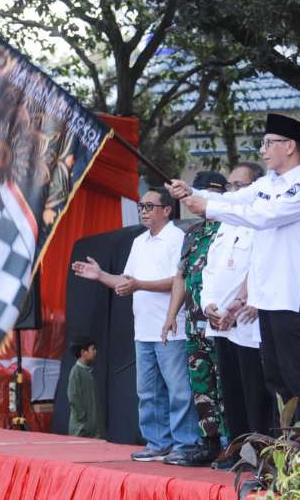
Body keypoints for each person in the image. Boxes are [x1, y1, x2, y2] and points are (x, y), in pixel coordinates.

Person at [170, 113, 300, 427]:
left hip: (294, 297)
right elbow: (234, 198)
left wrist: (209, 208)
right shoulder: (268, 183)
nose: (263, 150)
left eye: (269, 143)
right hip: (268, 297)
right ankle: (285, 459)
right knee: (277, 381)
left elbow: (265, 216)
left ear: (290, 146)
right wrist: (192, 193)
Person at [72, 188, 199, 463]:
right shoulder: (139, 242)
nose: (143, 210)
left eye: (150, 206)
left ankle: (186, 444)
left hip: (171, 327)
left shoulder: (178, 238)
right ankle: (157, 442)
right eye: (141, 206)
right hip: (143, 329)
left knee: (178, 389)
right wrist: (101, 275)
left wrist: (140, 285)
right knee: (147, 390)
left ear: (167, 210)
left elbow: (179, 280)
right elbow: (127, 281)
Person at [200, 162, 270, 462]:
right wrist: (208, 307)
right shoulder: (225, 224)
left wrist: (237, 305)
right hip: (220, 323)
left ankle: (262, 455)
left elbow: (259, 268)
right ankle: (240, 453)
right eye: (231, 186)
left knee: (255, 392)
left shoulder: (261, 221)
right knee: (231, 393)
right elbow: (209, 271)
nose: (233, 192)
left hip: (246, 322)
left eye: (240, 186)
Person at [162, 171, 229, 466]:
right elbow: (180, 276)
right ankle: (210, 443)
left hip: (224, 323)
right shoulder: (192, 233)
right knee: (201, 383)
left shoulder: (231, 228)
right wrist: (171, 315)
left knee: (227, 383)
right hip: (194, 323)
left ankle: (235, 443)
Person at [66, 341, 103, 439]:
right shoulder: (76, 371)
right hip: (81, 429)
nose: (95, 352)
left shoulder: (89, 371)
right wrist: (83, 417)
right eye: (93, 349)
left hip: (94, 430)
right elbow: (73, 396)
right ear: (83, 352)